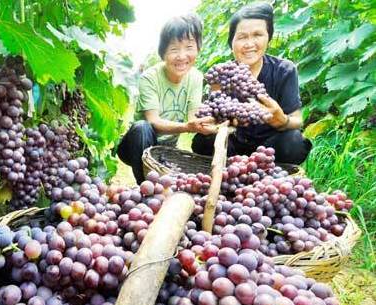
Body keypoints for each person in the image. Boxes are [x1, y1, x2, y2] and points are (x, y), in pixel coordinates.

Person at [192, 3, 312, 164]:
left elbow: (297, 120)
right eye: (242, 37)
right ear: (231, 42)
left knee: (294, 142)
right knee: (203, 141)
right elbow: (213, 115)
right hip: (232, 142)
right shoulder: (222, 74)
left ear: (268, 37)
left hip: (269, 148)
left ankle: (268, 174)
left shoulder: (284, 70)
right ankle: (231, 171)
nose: (249, 44)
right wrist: (216, 122)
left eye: (257, 35)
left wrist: (282, 120)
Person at [117, 14, 217, 184]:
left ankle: (209, 184)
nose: (182, 55)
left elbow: (193, 118)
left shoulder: (196, 77)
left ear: (198, 49)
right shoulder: (149, 77)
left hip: (167, 149)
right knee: (143, 128)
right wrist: (187, 127)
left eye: (189, 47)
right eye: (174, 49)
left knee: (209, 138)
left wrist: (214, 123)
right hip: (137, 145)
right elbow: (154, 121)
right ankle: (146, 189)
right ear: (163, 52)